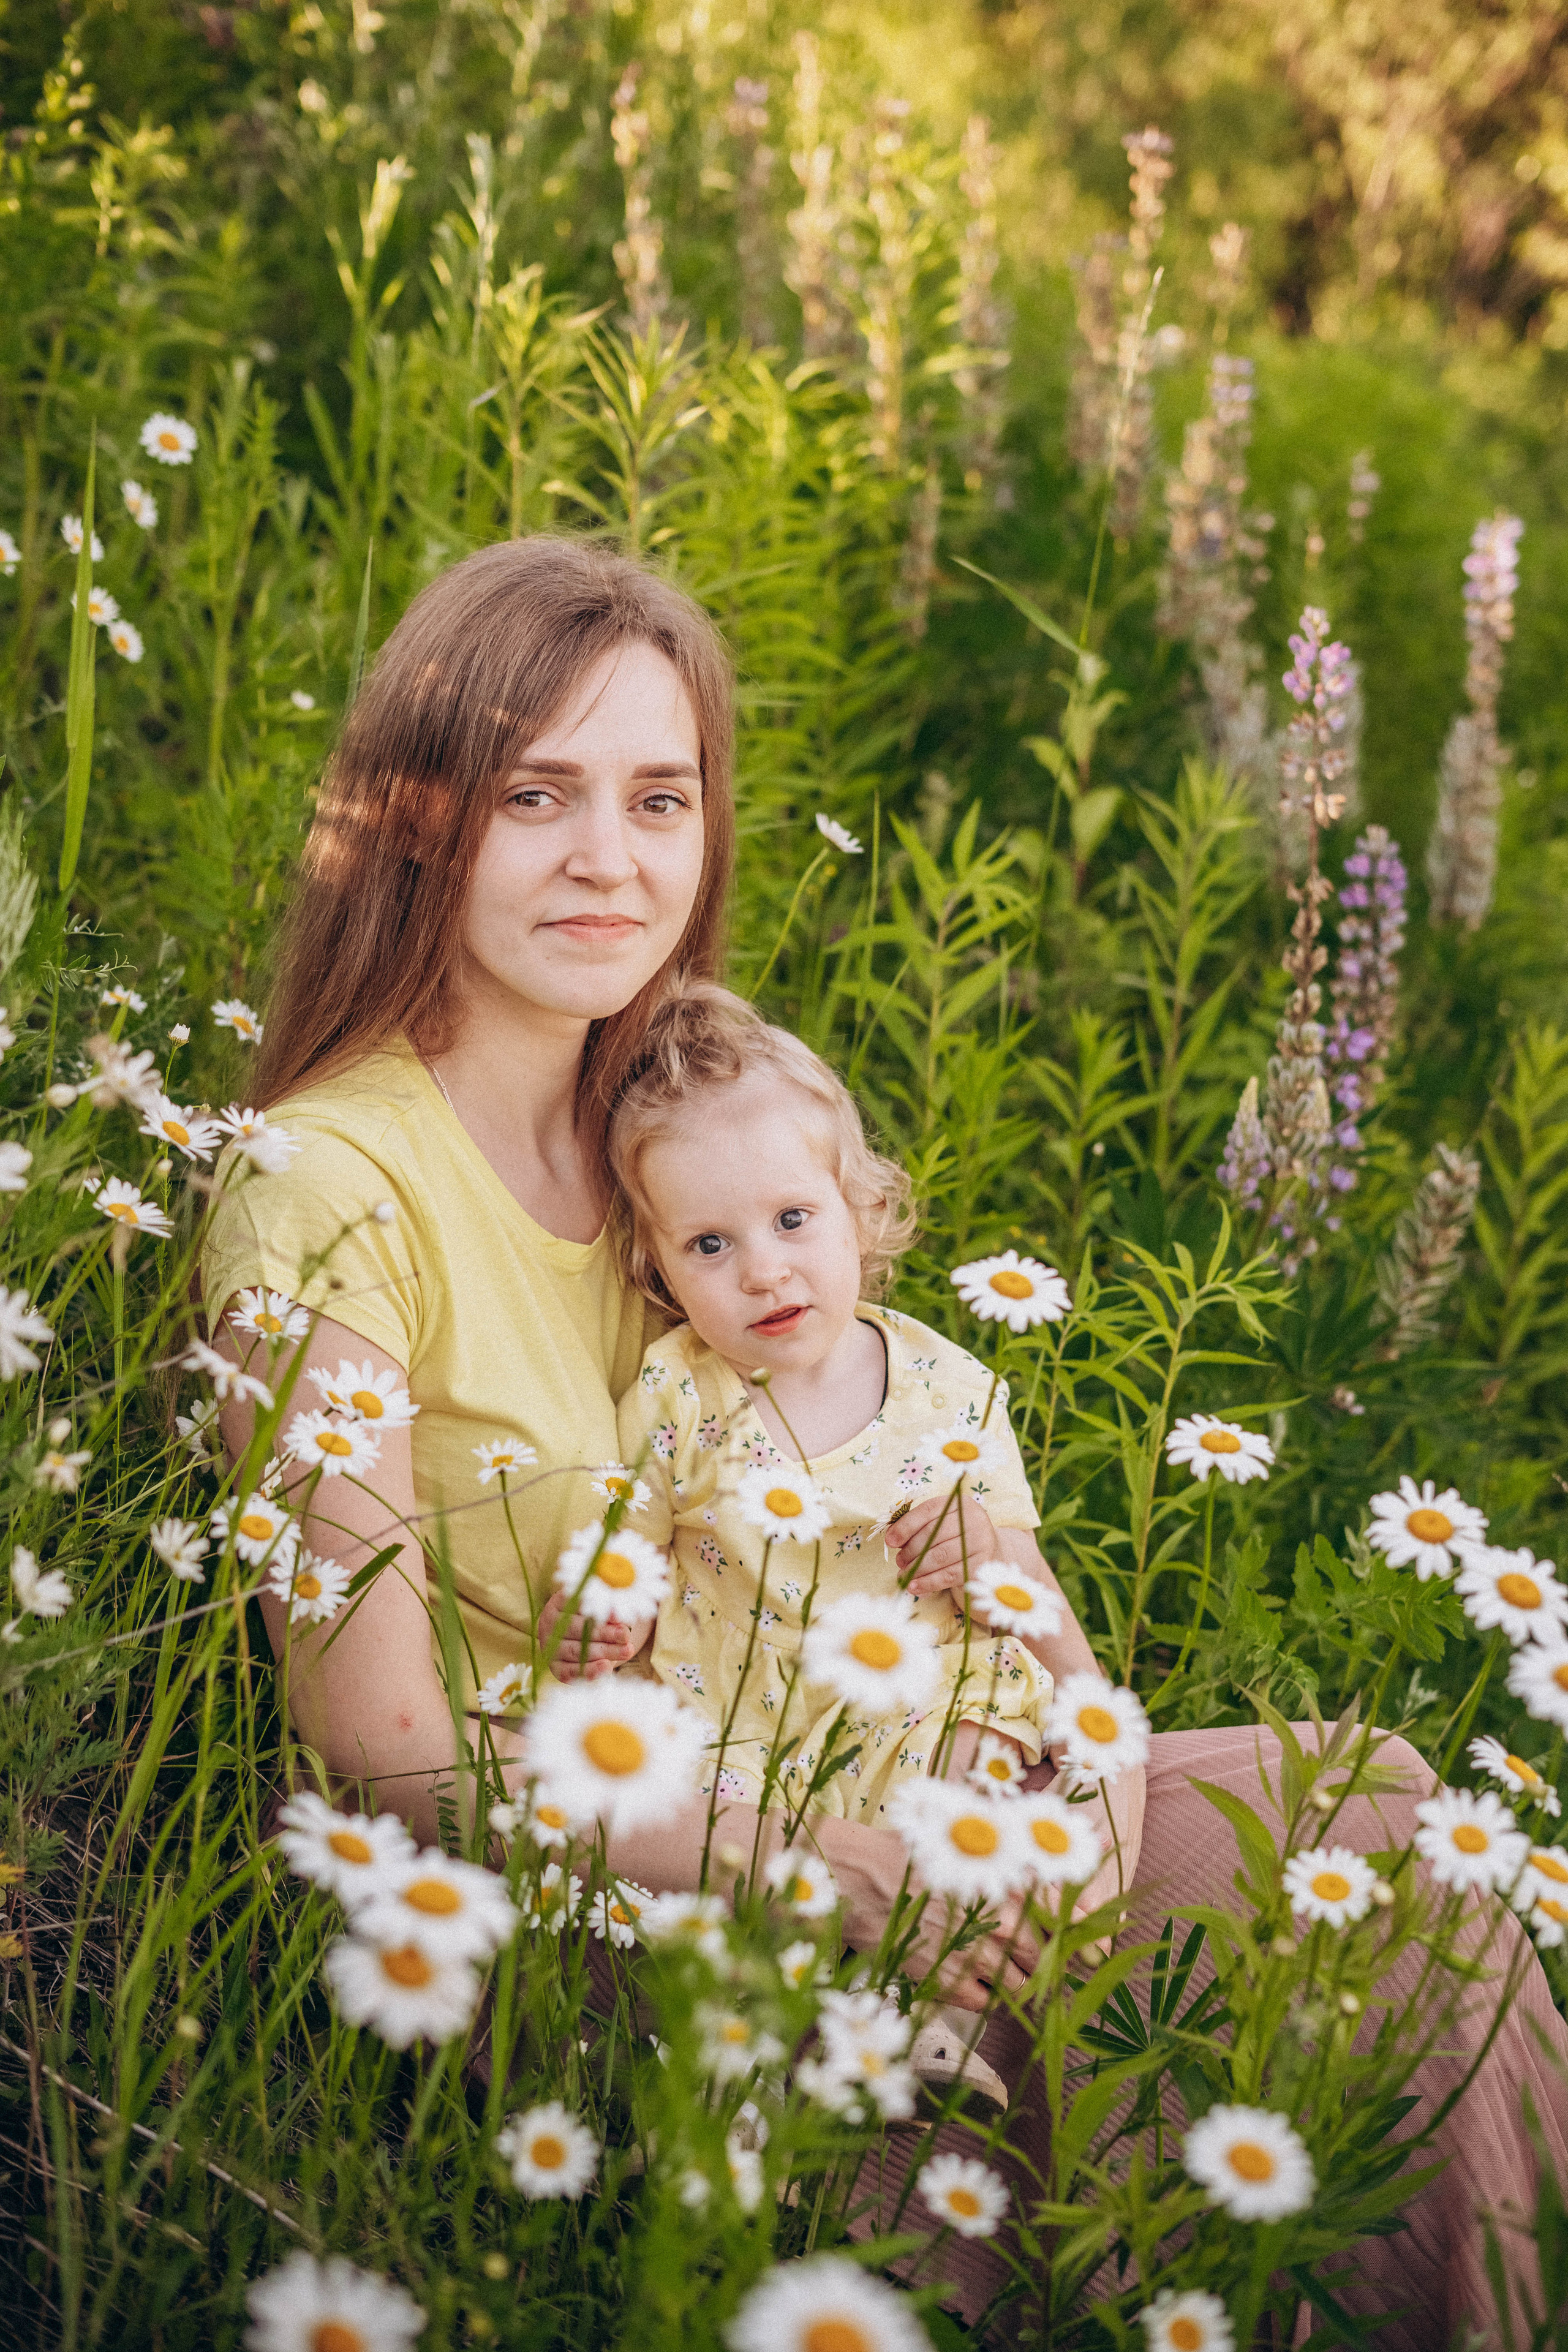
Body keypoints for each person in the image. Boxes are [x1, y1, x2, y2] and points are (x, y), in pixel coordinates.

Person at [203, 533, 1566, 2346]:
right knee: (1228, 2000)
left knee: (1385, 1814)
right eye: (540, 793)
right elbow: (385, 1757)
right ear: (422, 813)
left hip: (873, 1794)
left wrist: (1064, 1743)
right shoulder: (326, 1180)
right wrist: (820, 1865)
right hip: (595, 1914)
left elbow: (924, 1485)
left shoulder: (677, 1142)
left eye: (661, 797)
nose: (611, 857)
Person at [587, 979, 1056, 1828]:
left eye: (793, 1218)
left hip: (911, 1717)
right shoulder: (679, 1395)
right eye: (709, 1244)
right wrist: (605, 1620)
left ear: (863, 1210)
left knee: (982, 1720)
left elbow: (1025, 1589)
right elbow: (627, 1568)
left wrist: (980, 1551)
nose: (763, 1272)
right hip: (737, 1738)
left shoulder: (950, 1390)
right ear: (657, 1270)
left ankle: (940, 1898)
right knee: (697, 1812)